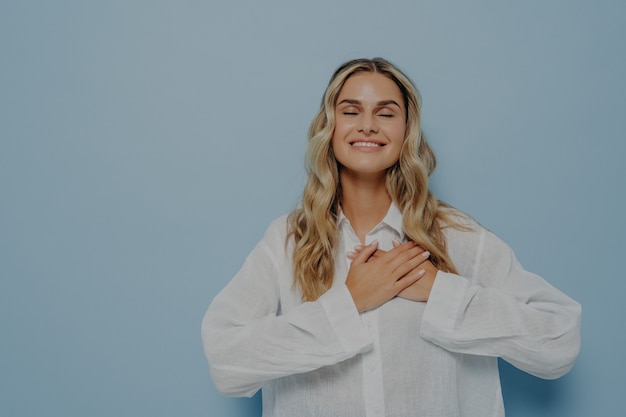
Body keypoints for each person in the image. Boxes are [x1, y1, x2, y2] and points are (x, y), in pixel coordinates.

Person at [201, 57, 581, 417]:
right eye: (351, 111)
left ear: (406, 132)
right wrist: (349, 302)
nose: (368, 125)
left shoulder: (457, 237)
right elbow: (225, 359)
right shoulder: (288, 240)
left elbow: (559, 342)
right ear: (330, 127)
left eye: (386, 113)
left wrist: (441, 292)